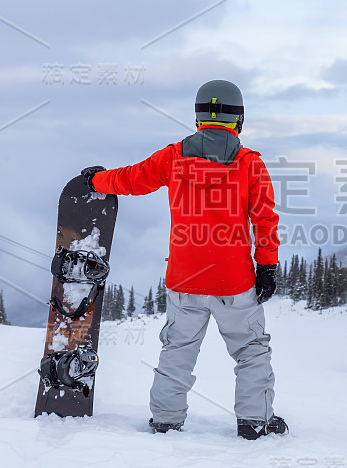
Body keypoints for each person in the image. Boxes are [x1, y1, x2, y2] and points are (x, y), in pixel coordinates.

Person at [81, 80, 287, 439]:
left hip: (185, 278)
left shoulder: (173, 157)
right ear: (238, 119)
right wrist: (267, 265)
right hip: (234, 282)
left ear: (199, 118)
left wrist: (97, 180)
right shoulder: (250, 164)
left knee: (177, 350)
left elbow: (132, 179)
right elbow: (265, 220)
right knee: (251, 350)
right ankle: (255, 421)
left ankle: (165, 420)